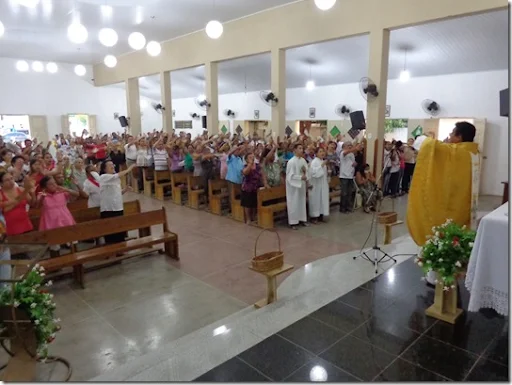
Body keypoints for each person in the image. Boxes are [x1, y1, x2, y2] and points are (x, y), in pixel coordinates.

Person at [408, 121, 479, 247]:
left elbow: (427, 145)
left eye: (452, 133)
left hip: (450, 204)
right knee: (461, 229)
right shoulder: (474, 152)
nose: (450, 136)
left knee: (445, 229)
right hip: (463, 202)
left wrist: (425, 137)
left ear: (459, 137)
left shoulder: (455, 152)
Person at [99, 161, 136, 244]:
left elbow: (117, 193)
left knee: (119, 229)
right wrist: (129, 169)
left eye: (113, 164)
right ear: (104, 169)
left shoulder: (114, 178)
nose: (113, 166)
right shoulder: (103, 177)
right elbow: (119, 174)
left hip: (118, 206)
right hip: (108, 208)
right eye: (110, 165)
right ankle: (111, 249)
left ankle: (121, 248)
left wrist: (125, 190)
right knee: (110, 230)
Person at [286, 144, 309, 230]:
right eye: (299, 148)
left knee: (301, 202)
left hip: (301, 185)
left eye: (302, 148)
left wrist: (305, 174)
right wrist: (300, 177)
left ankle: (302, 219)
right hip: (293, 187)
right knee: (294, 203)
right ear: (294, 150)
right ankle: (293, 222)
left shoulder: (303, 160)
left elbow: (306, 171)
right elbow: (289, 176)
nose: (301, 150)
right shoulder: (291, 162)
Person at [308, 147, 330, 223]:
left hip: (323, 184)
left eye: (323, 151)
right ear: (316, 153)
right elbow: (313, 173)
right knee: (316, 200)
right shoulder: (314, 162)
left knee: (322, 200)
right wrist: (321, 166)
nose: (322, 153)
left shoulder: (322, 161)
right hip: (316, 184)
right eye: (320, 151)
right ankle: (314, 217)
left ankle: (321, 215)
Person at [339, 142, 360, 213]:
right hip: (344, 176)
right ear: (344, 147)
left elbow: (352, 163)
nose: (350, 146)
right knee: (344, 193)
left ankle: (348, 207)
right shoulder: (342, 153)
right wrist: (355, 148)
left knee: (349, 192)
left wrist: (355, 164)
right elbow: (346, 153)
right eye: (348, 145)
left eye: (351, 145)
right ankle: (342, 208)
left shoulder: (351, 154)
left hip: (350, 175)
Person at [241, 153, 261, 224]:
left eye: (253, 157)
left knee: (254, 203)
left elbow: (262, 174)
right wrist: (250, 164)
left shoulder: (258, 166)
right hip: (247, 187)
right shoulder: (245, 166)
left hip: (256, 187)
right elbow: (245, 172)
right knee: (247, 204)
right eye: (250, 157)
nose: (252, 158)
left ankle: (254, 217)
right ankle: (248, 219)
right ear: (246, 159)